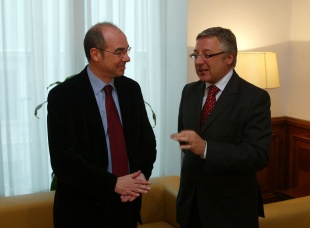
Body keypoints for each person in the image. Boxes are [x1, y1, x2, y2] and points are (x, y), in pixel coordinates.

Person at [47, 22, 157, 227]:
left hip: (126, 206)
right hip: (83, 211)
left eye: (127, 50)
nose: (127, 58)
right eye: (119, 52)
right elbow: (64, 161)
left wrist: (140, 177)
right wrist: (113, 184)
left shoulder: (131, 89)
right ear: (95, 54)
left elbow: (147, 143)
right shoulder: (63, 96)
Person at [170, 27, 271, 228]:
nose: (199, 62)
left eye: (207, 55)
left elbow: (258, 155)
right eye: (195, 55)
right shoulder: (189, 91)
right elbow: (187, 142)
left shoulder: (254, 98)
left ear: (229, 58)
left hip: (231, 211)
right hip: (191, 206)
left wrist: (207, 149)